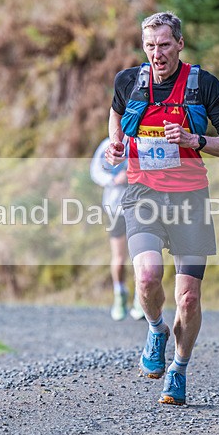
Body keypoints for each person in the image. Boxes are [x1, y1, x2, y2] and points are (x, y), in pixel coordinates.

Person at [105, 11, 219, 405]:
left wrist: (193, 138)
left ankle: (179, 368)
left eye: (164, 45)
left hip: (190, 199)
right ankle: (155, 329)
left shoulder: (203, 85)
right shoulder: (129, 81)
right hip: (142, 194)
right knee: (148, 277)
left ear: (180, 44)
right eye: (150, 46)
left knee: (188, 299)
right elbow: (116, 113)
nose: (157, 54)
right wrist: (116, 142)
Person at [89, 137, 144, 322]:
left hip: (141, 207)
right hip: (116, 208)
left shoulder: (144, 140)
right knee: (119, 258)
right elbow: (95, 171)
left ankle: (140, 298)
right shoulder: (108, 144)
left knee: (140, 256)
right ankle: (119, 295)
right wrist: (114, 179)